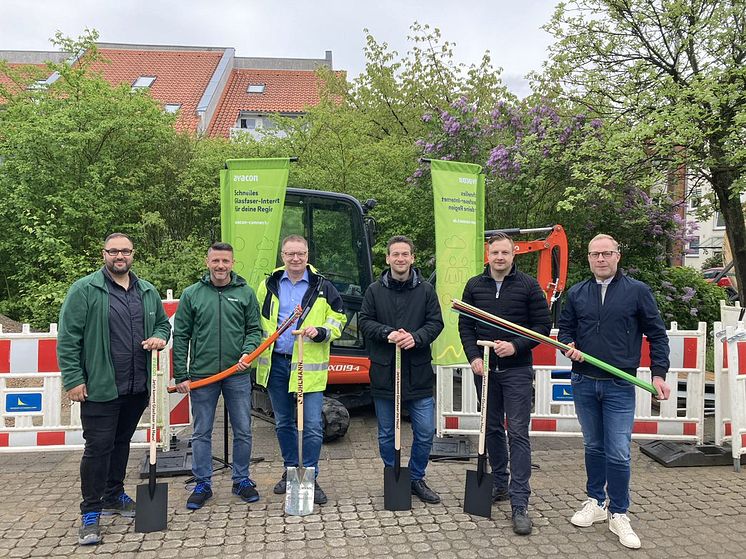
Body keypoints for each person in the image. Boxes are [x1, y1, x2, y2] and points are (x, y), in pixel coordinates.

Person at [558, 233, 671, 549]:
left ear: (618, 255)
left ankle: (618, 512)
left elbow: (657, 336)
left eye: (606, 253)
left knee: (619, 450)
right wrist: (569, 346)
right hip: (583, 381)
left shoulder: (637, 292)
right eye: (595, 254)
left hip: (620, 383)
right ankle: (595, 501)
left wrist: (659, 375)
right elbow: (565, 330)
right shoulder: (578, 292)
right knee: (594, 445)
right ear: (589, 258)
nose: (601, 259)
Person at [57, 233, 171, 545]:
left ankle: (114, 494)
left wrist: (159, 337)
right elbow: (68, 339)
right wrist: (73, 379)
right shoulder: (85, 290)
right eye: (113, 251)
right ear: (104, 254)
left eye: (125, 251)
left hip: (136, 386)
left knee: (121, 443)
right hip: (100, 387)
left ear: (133, 254)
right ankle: (90, 512)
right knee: (98, 448)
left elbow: (163, 324)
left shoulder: (146, 291)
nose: (119, 256)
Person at [458, 232, 551, 535]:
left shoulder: (528, 286)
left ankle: (520, 503)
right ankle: (500, 482)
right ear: (488, 254)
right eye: (495, 252)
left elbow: (541, 327)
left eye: (505, 253)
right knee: (491, 427)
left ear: (514, 254)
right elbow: (465, 324)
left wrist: (515, 346)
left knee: (518, 432)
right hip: (484, 370)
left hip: (516, 370)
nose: (499, 257)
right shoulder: (474, 285)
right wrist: (473, 357)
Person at [255, 235, 346, 505]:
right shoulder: (268, 285)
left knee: (313, 425)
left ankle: (310, 475)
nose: (296, 259)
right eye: (290, 254)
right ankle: (290, 470)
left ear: (308, 255)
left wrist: (320, 332)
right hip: (276, 364)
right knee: (283, 422)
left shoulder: (322, 286)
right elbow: (257, 321)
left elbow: (339, 319)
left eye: (301, 254)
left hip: (309, 364)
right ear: (282, 256)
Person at [172, 242, 263, 510]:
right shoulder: (192, 294)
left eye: (225, 261)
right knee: (201, 432)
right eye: (215, 261)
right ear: (207, 262)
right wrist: (182, 374)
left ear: (233, 263)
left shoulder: (245, 293)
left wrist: (247, 354)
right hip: (203, 375)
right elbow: (181, 337)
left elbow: (254, 330)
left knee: (243, 430)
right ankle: (203, 483)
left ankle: (242, 479)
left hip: (237, 373)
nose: (220, 266)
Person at [359, 236, 445, 504]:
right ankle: (392, 474)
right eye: (395, 254)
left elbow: (436, 323)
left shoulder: (426, 291)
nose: (400, 259)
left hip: (417, 372)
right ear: (387, 259)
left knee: (424, 430)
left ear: (412, 258)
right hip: (385, 373)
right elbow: (364, 321)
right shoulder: (374, 290)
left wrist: (415, 338)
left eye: (405, 254)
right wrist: (388, 333)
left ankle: (416, 477)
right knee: (386, 432)